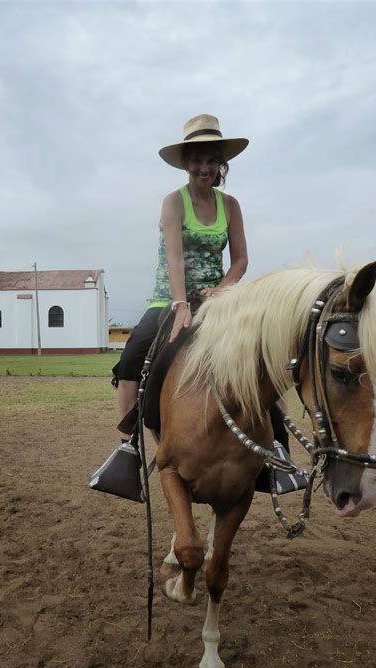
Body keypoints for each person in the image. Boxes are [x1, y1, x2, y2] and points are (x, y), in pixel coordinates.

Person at [116, 114, 249, 441]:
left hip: (215, 297)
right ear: (186, 164)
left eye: (211, 160)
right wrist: (179, 305)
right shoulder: (174, 202)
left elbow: (241, 260)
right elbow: (174, 256)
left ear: (220, 165)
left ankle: (276, 444)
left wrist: (220, 291)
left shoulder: (230, 205)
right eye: (197, 160)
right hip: (169, 297)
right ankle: (127, 446)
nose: (204, 168)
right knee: (132, 357)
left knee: (257, 353)